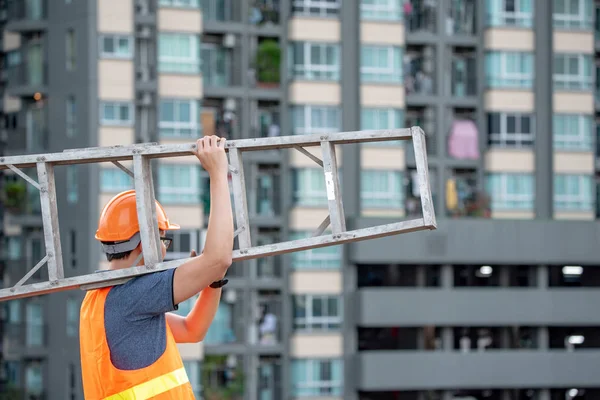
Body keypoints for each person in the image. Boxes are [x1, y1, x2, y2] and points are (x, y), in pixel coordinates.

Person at [79, 135, 234, 399]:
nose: (165, 249)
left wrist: (212, 280)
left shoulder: (100, 299)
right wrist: (219, 173)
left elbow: (191, 330)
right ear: (146, 241)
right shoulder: (131, 296)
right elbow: (219, 258)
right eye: (164, 239)